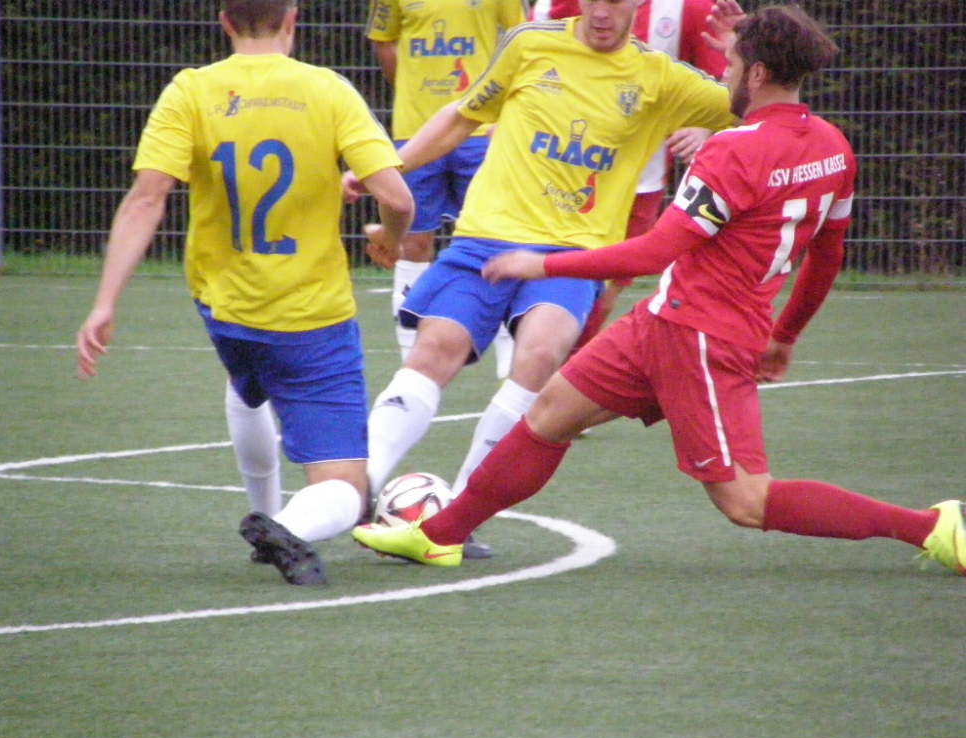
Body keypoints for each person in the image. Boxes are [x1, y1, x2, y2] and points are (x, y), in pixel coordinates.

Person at [351, 3, 966, 577]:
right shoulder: (833, 148)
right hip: (661, 322)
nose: (721, 74)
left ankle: (929, 527)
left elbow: (654, 250)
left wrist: (542, 268)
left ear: (755, 73)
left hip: (703, 337)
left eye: (730, 64)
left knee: (746, 501)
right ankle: (442, 533)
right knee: (548, 414)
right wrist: (785, 336)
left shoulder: (730, 152)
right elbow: (827, 258)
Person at [345, 0, 734, 544]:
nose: (602, 12)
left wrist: (740, 56)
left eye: (615, 1)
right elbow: (463, 114)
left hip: (570, 253)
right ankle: (354, 490)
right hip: (485, 237)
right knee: (433, 351)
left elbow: (762, 111)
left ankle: (454, 519)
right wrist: (389, 165)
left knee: (540, 354)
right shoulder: (530, 43)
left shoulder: (660, 77)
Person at [75, 0, 414, 586]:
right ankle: (285, 526)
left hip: (224, 308)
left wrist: (104, 304)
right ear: (293, 19)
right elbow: (399, 198)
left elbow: (147, 198)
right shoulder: (328, 90)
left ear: (225, 23)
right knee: (346, 490)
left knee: (247, 386)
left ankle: (268, 512)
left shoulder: (190, 90)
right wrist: (392, 239)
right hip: (311, 316)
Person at [532, 0, 730, 353]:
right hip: (562, 173)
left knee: (600, 296)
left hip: (640, 184)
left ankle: (553, 378)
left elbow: (729, 86)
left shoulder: (690, 8)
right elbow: (532, 47)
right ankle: (538, 375)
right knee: (549, 285)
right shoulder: (565, 7)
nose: (602, 12)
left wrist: (705, 127)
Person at [364, 0, 527, 374]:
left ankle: (511, 361)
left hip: (481, 130)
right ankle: (411, 358)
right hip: (416, 130)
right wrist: (414, 91)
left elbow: (522, 38)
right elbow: (384, 42)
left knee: (498, 234)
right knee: (413, 242)